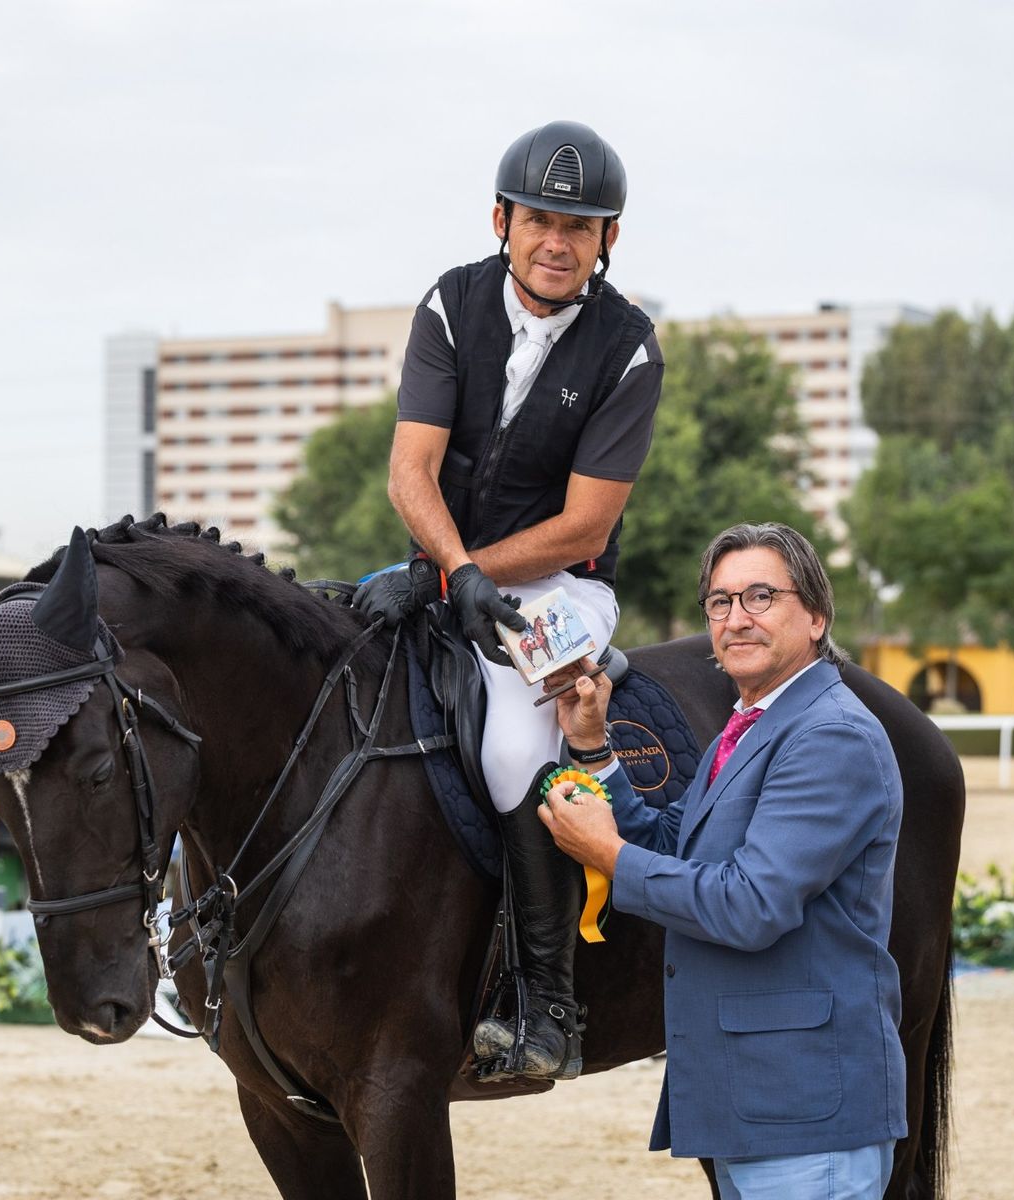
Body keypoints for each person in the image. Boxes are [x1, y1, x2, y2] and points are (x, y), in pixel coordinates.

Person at [353, 119, 664, 1080]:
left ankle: (549, 1006)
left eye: (581, 225)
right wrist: (452, 571)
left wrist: (461, 572)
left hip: (561, 590)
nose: (557, 242)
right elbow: (412, 471)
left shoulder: (631, 347)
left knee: (514, 750)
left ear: (609, 237)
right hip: (447, 568)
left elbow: (582, 526)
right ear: (503, 219)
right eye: (539, 219)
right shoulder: (450, 305)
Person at [538, 523, 905, 1198]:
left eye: (761, 597)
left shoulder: (832, 737)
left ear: (817, 615)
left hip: (806, 1118)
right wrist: (593, 750)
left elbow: (750, 905)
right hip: (751, 1108)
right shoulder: (752, 726)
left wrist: (609, 856)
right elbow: (676, 844)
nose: (736, 619)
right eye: (720, 602)